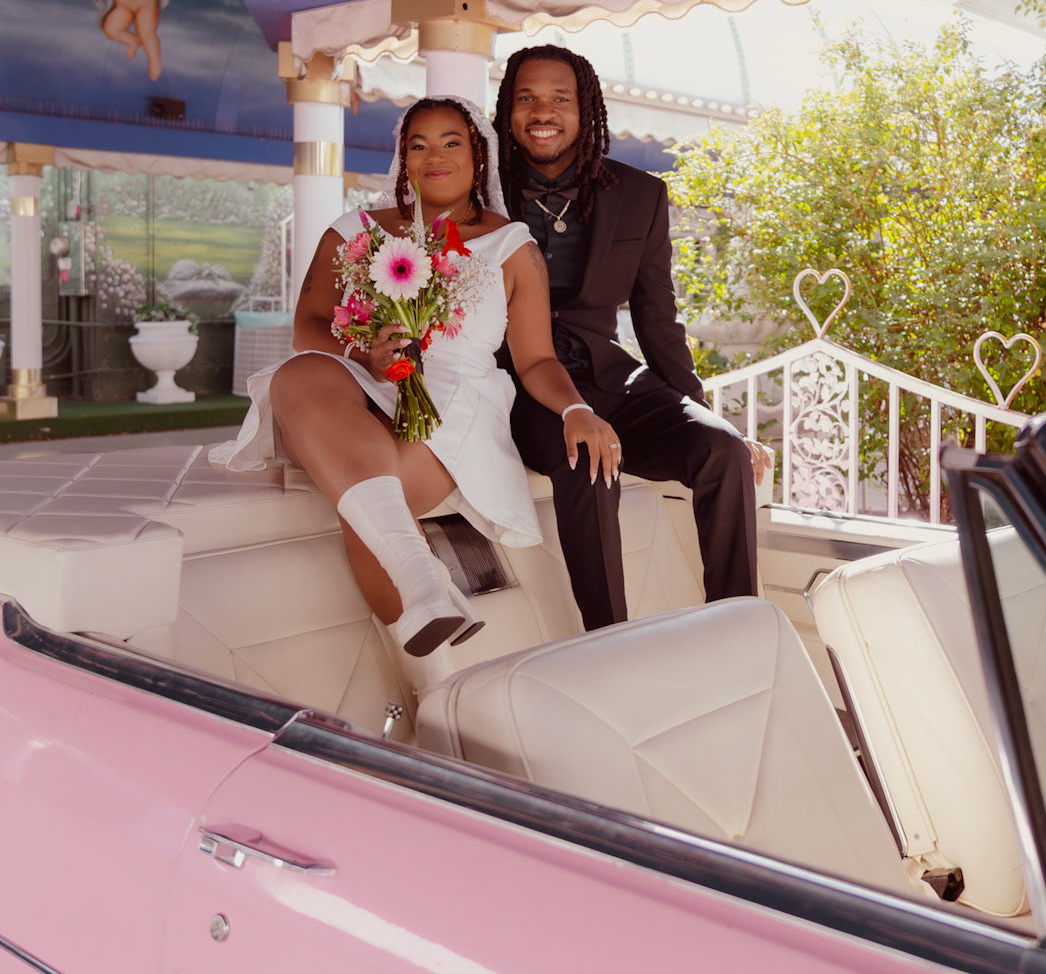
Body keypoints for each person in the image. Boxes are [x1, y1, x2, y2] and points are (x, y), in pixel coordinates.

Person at [211, 97, 620, 660]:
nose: (435, 156)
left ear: (478, 155)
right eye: (418, 145)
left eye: (451, 142)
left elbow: (535, 361)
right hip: (356, 378)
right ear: (403, 159)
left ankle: (433, 659)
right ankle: (419, 572)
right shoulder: (353, 231)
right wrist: (366, 355)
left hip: (453, 396)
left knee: (371, 494)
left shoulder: (512, 246)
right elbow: (307, 326)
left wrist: (576, 409)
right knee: (300, 372)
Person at [495, 43, 768, 630]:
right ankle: (610, 640)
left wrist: (701, 411)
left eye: (560, 99)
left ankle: (740, 627)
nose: (543, 112)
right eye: (527, 98)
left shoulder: (641, 195)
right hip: (516, 386)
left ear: (585, 109)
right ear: (507, 110)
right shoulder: (480, 189)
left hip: (610, 376)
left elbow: (657, 317)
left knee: (722, 451)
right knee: (585, 461)